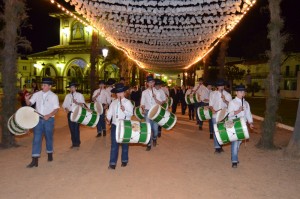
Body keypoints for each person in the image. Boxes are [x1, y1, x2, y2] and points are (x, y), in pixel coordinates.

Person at [24, 77, 59, 168]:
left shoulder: (54, 96)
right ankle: (34, 160)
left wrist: (49, 115)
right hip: (38, 120)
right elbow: (29, 104)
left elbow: (56, 109)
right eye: (42, 85)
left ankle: (50, 154)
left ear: (50, 86)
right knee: (36, 139)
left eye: (44, 85)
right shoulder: (37, 94)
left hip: (49, 120)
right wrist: (27, 99)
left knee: (49, 138)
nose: (42, 86)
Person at [106, 83, 133, 169]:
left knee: (125, 144)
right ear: (115, 94)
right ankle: (112, 163)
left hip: (125, 125)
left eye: (121, 92)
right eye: (117, 93)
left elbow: (130, 114)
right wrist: (108, 119)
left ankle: (124, 160)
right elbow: (110, 112)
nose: (119, 94)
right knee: (114, 144)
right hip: (115, 125)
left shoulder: (128, 102)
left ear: (124, 93)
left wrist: (124, 110)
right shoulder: (113, 103)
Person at [228, 84, 254, 168]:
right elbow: (230, 114)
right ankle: (234, 160)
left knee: (239, 142)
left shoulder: (246, 103)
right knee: (235, 142)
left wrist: (250, 123)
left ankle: (234, 155)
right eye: (241, 92)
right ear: (236, 92)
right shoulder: (232, 102)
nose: (243, 93)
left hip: (243, 125)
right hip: (234, 124)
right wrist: (238, 110)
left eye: (244, 92)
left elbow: (248, 114)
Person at [140, 76, 164, 151]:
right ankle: (149, 144)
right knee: (148, 128)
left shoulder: (158, 92)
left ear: (154, 83)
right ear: (147, 83)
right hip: (147, 112)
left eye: (152, 82)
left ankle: (154, 138)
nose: (151, 83)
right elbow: (142, 103)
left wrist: (155, 98)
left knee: (155, 129)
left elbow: (160, 103)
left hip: (155, 112)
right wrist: (143, 109)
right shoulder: (144, 92)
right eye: (149, 82)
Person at [209, 79, 232, 153]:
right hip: (215, 115)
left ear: (224, 86)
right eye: (219, 86)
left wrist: (225, 100)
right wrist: (212, 109)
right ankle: (217, 147)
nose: (221, 87)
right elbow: (210, 105)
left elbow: (231, 106)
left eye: (222, 85)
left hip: (224, 115)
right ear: (217, 86)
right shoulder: (213, 94)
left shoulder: (228, 95)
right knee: (216, 131)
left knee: (222, 131)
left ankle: (220, 145)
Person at [62, 82, 85, 148]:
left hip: (77, 113)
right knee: (71, 128)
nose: (71, 89)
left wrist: (77, 102)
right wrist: (66, 109)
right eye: (70, 87)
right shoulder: (67, 96)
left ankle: (77, 142)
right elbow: (64, 105)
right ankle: (73, 143)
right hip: (70, 113)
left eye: (73, 87)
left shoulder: (79, 95)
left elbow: (83, 105)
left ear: (75, 88)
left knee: (76, 128)